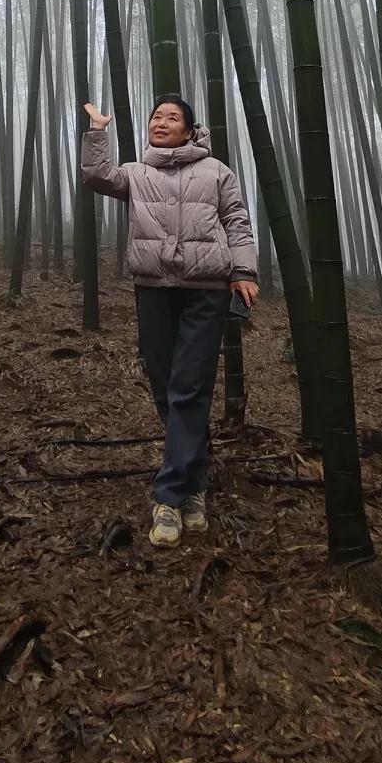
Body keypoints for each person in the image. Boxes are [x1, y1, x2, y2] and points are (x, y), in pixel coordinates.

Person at [81, 95, 259, 549]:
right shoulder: (137, 173)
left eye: (172, 118)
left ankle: (170, 495)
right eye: (156, 117)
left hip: (206, 290)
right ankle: (195, 481)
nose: (161, 123)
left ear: (190, 129)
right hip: (154, 288)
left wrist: (243, 271)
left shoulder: (216, 171)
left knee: (189, 385)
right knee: (163, 381)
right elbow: (98, 176)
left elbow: (237, 221)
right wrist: (99, 131)